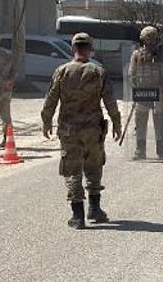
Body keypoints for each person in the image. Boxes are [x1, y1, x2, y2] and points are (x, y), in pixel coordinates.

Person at [41, 33, 122, 229]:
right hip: (92, 129)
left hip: (69, 129)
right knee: (94, 166)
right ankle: (94, 209)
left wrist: (46, 121)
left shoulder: (62, 71)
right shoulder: (98, 71)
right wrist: (116, 122)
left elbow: (51, 99)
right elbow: (110, 100)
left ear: (72, 49)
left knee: (72, 169)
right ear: (90, 49)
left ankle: (78, 215)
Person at [128, 26, 163, 160]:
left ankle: (161, 152)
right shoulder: (136, 54)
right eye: (148, 40)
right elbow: (131, 74)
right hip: (142, 94)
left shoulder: (161, 55)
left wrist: (161, 89)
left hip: (158, 94)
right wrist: (136, 89)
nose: (150, 43)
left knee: (160, 125)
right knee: (140, 124)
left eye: (152, 40)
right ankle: (140, 151)